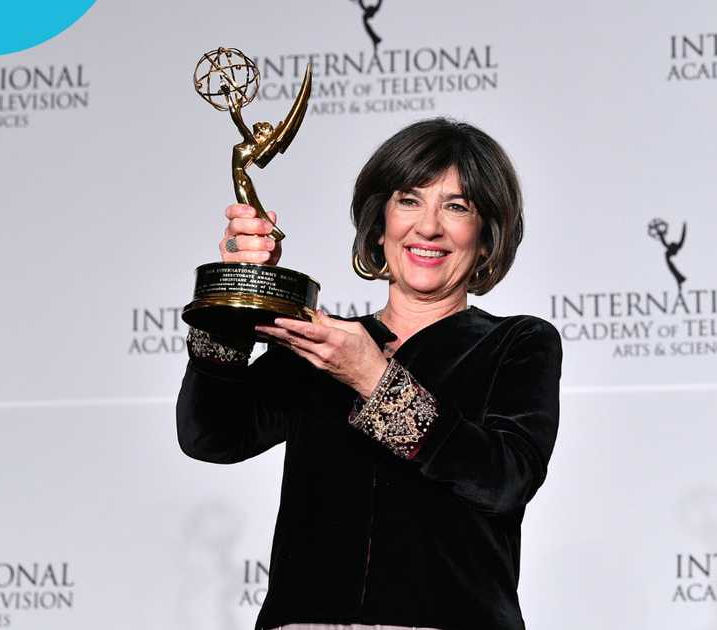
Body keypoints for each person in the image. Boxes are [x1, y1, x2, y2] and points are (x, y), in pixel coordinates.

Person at [177, 118, 562, 630]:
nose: (428, 226)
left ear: (487, 239)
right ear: (379, 226)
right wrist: (236, 297)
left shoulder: (517, 344)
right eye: (409, 199)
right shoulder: (323, 345)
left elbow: (503, 480)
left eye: (456, 206)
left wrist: (373, 379)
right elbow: (211, 435)